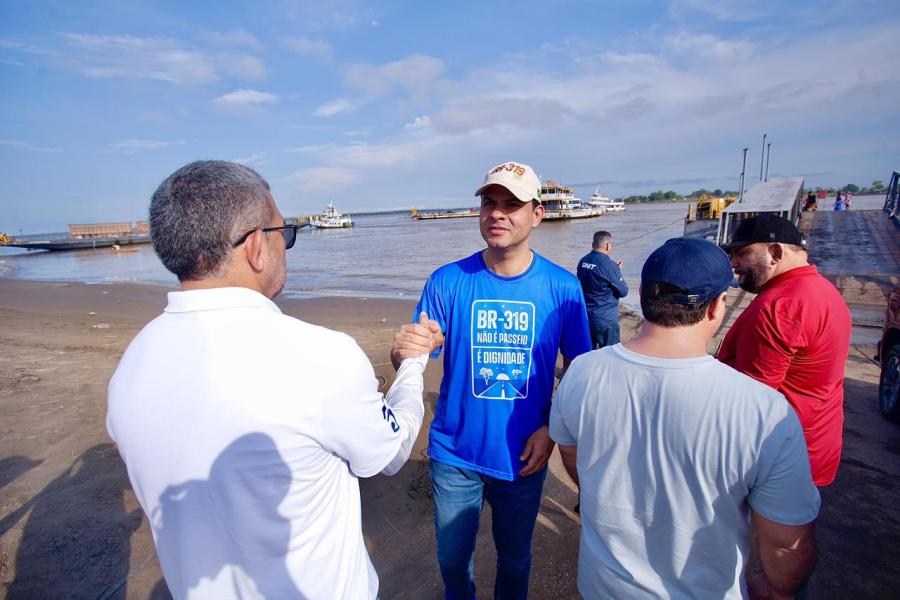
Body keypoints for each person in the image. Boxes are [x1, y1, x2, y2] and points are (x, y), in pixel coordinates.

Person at [107, 160, 441, 600]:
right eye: (285, 233)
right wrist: (413, 364)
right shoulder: (319, 356)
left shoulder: (133, 364)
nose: (286, 247)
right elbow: (391, 452)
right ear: (255, 248)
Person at [550, 237, 820, 599]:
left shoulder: (582, 372)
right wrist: (776, 588)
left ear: (644, 294)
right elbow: (788, 543)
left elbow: (572, 455)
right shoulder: (766, 411)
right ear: (716, 307)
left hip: (602, 587)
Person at [411, 160, 592, 598]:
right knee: (453, 559)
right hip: (454, 453)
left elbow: (581, 372)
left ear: (537, 214)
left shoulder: (563, 288)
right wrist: (411, 346)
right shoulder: (447, 281)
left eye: (512, 204)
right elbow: (419, 349)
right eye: (489, 203)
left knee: (515, 557)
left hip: (523, 456)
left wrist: (551, 429)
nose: (497, 213)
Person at [718, 214, 852, 486]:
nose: (733, 264)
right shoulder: (824, 291)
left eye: (742, 253)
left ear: (775, 252)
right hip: (815, 443)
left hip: (778, 458)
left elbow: (751, 401)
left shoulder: (780, 307)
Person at [576, 231, 628, 349]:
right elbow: (623, 291)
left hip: (586, 317)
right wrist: (616, 271)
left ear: (593, 244)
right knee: (611, 356)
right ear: (608, 245)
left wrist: (615, 269)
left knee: (589, 354)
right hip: (605, 320)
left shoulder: (583, 261)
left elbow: (594, 276)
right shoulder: (609, 266)